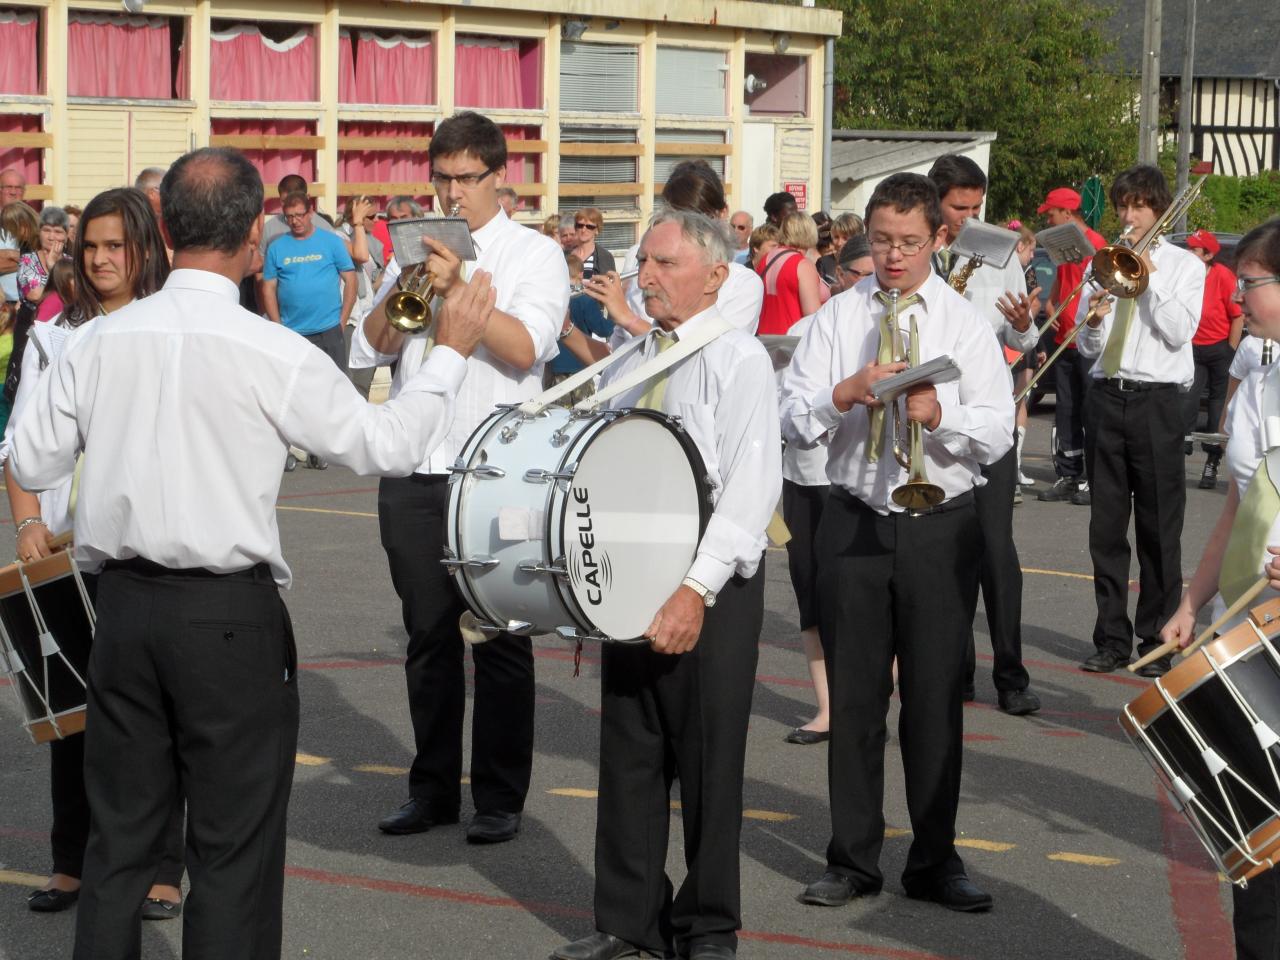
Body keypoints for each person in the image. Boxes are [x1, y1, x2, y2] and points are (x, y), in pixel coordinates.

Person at [9, 145, 492, 960]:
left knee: (119, 843)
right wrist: (450, 353)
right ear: (254, 239)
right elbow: (385, 444)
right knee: (232, 851)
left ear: (164, 229)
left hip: (123, 608)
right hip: (226, 615)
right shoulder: (269, 349)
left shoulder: (97, 343)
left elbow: (29, 461)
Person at [782, 172, 1012, 914]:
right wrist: (840, 395)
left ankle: (934, 860)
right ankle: (851, 858)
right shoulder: (835, 318)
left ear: (936, 240)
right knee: (854, 698)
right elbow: (790, 418)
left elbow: (999, 432)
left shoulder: (963, 323)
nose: (893, 257)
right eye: (881, 241)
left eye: (909, 243)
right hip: (853, 517)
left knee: (935, 698)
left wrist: (941, 414)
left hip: (940, 525)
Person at [551, 208, 779, 960]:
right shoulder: (637, 354)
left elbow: (751, 490)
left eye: (664, 264)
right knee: (631, 750)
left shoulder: (737, 360)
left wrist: (696, 592)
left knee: (708, 761)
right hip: (633, 571)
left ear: (716, 275)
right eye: (643, 262)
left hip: (704, 577)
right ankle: (628, 920)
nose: (645, 277)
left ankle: (709, 926)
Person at [352, 111, 568, 846]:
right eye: (440, 178)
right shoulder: (413, 247)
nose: (451, 193)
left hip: (497, 470)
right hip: (416, 466)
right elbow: (369, 346)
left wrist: (460, 283)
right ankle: (433, 789)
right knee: (428, 636)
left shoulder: (534, 254)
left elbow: (525, 346)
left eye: (465, 179)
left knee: (501, 635)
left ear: (499, 177)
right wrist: (405, 285)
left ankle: (501, 796)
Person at [2, 187, 187, 920]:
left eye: (118, 246)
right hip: (68, 557)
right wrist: (26, 528)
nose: (103, 260)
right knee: (71, 710)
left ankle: (161, 869)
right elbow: (17, 450)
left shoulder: (175, 333)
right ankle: (71, 860)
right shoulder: (54, 337)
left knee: (155, 719)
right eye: (92, 247)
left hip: (150, 555)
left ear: (147, 251)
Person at [1159, 217, 1280, 960]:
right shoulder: (1259, 368)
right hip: (1250, 625)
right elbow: (1239, 499)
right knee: (1254, 836)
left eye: (1254, 282)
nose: (1237, 296)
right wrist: (1188, 598)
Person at [1074, 164, 1204, 677]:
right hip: (1107, 395)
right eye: (1123, 206)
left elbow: (1178, 333)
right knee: (1105, 527)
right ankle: (1110, 638)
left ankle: (1156, 636)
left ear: (1160, 209)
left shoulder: (1184, 267)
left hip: (1158, 402)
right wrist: (1095, 321)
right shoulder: (1103, 263)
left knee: (1157, 526)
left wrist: (1145, 279)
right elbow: (1087, 347)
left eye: (1139, 206)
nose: (1129, 216)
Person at [926, 153, 1040, 716]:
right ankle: (958, 671)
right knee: (946, 553)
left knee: (998, 551)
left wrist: (1024, 326)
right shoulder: (920, 252)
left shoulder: (996, 252)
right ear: (936, 205)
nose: (972, 217)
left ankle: (1011, 674)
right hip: (932, 422)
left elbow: (1023, 339)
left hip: (986, 418)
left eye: (978, 206)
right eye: (960, 207)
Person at [585, 160, 764, 338]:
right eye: (675, 214)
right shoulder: (638, 256)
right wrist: (567, 328)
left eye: (697, 218)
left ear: (722, 213)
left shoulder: (743, 283)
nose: (683, 226)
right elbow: (620, 355)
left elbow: (710, 352)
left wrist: (629, 319)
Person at [261, 191, 358, 468]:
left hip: (328, 328)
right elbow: (268, 287)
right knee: (292, 392)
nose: (295, 221)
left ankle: (327, 447)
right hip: (293, 333)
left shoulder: (331, 242)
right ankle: (294, 447)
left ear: (310, 212)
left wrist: (342, 318)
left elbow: (349, 280)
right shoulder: (278, 247)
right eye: (289, 217)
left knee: (333, 388)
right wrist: (277, 325)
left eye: (299, 215)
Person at [1035, 186, 1107, 505]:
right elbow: (1061, 288)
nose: (1048, 219)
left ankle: (1095, 478)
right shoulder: (1065, 244)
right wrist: (1051, 305)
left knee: (1093, 413)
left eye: (1050, 213)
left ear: (1067, 213)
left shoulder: (1097, 245)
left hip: (1088, 342)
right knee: (1066, 410)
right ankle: (1069, 473)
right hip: (1065, 339)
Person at [1182, 228, 1243, 490]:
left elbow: (1237, 315)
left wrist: (1230, 349)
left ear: (1207, 255)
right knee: (1187, 397)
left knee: (1218, 407)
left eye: (1193, 250)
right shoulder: (1186, 276)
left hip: (1219, 348)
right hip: (1193, 347)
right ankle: (1180, 448)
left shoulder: (1223, 276)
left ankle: (1212, 462)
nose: (1188, 253)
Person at [547, 253, 613, 400]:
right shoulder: (584, 300)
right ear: (581, 274)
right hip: (581, 368)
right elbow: (604, 330)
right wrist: (613, 313)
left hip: (555, 368)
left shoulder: (553, 298)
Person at [337, 195, 383, 399]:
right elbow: (360, 256)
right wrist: (357, 223)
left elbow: (372, 282)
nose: (377, 221)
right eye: (371, 216)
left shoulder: (372, 242)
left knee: (363, 382)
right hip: (349, 317)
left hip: (367, 314)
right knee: (346, 382)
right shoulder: (338, 236)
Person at [756, 212, 823, 335]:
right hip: (791, 341)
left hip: (763, 338)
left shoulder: (766, 259)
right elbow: (812, 316)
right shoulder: (803, 264)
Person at [259, 174, 336, 253]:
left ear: (307, 198)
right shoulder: (268, 230)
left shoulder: (325, 229)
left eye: (296, 201)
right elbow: (260, 261)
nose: (289, 206)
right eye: (284, 201)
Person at [17, 205, 69, 314]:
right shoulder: (27, 260)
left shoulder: (72, 263)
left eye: (58, 232)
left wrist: (53, 267)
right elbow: (35, 295)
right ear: (39, 232)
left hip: (65, 322)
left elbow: (78, 295)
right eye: (46, 230)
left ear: (66, 235)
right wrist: (53, 271)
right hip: (32, 322)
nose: (51, 237)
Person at [572, 207, 615, 278]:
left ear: (597, 230)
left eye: (589, 226)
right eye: (580, 225)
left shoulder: (604, 257)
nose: (583, 230)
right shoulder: (565, 254)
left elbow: (609, 285)